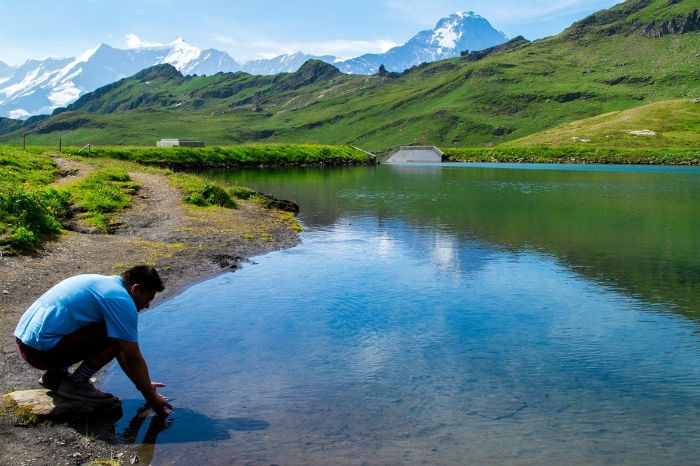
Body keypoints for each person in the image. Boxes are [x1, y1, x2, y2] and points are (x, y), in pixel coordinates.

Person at [14, 265, 173, 416]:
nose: (147, 305)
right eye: (147, 298)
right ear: (136, 288)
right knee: (115, 338)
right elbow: (133, 358)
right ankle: (75, 384)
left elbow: (123, 354)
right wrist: (152, 401)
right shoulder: (120, 299)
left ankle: (56, 376)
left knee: (107, 332)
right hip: (41, 352)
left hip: (26, 343)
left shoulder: (104, 284)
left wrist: (143, 385)